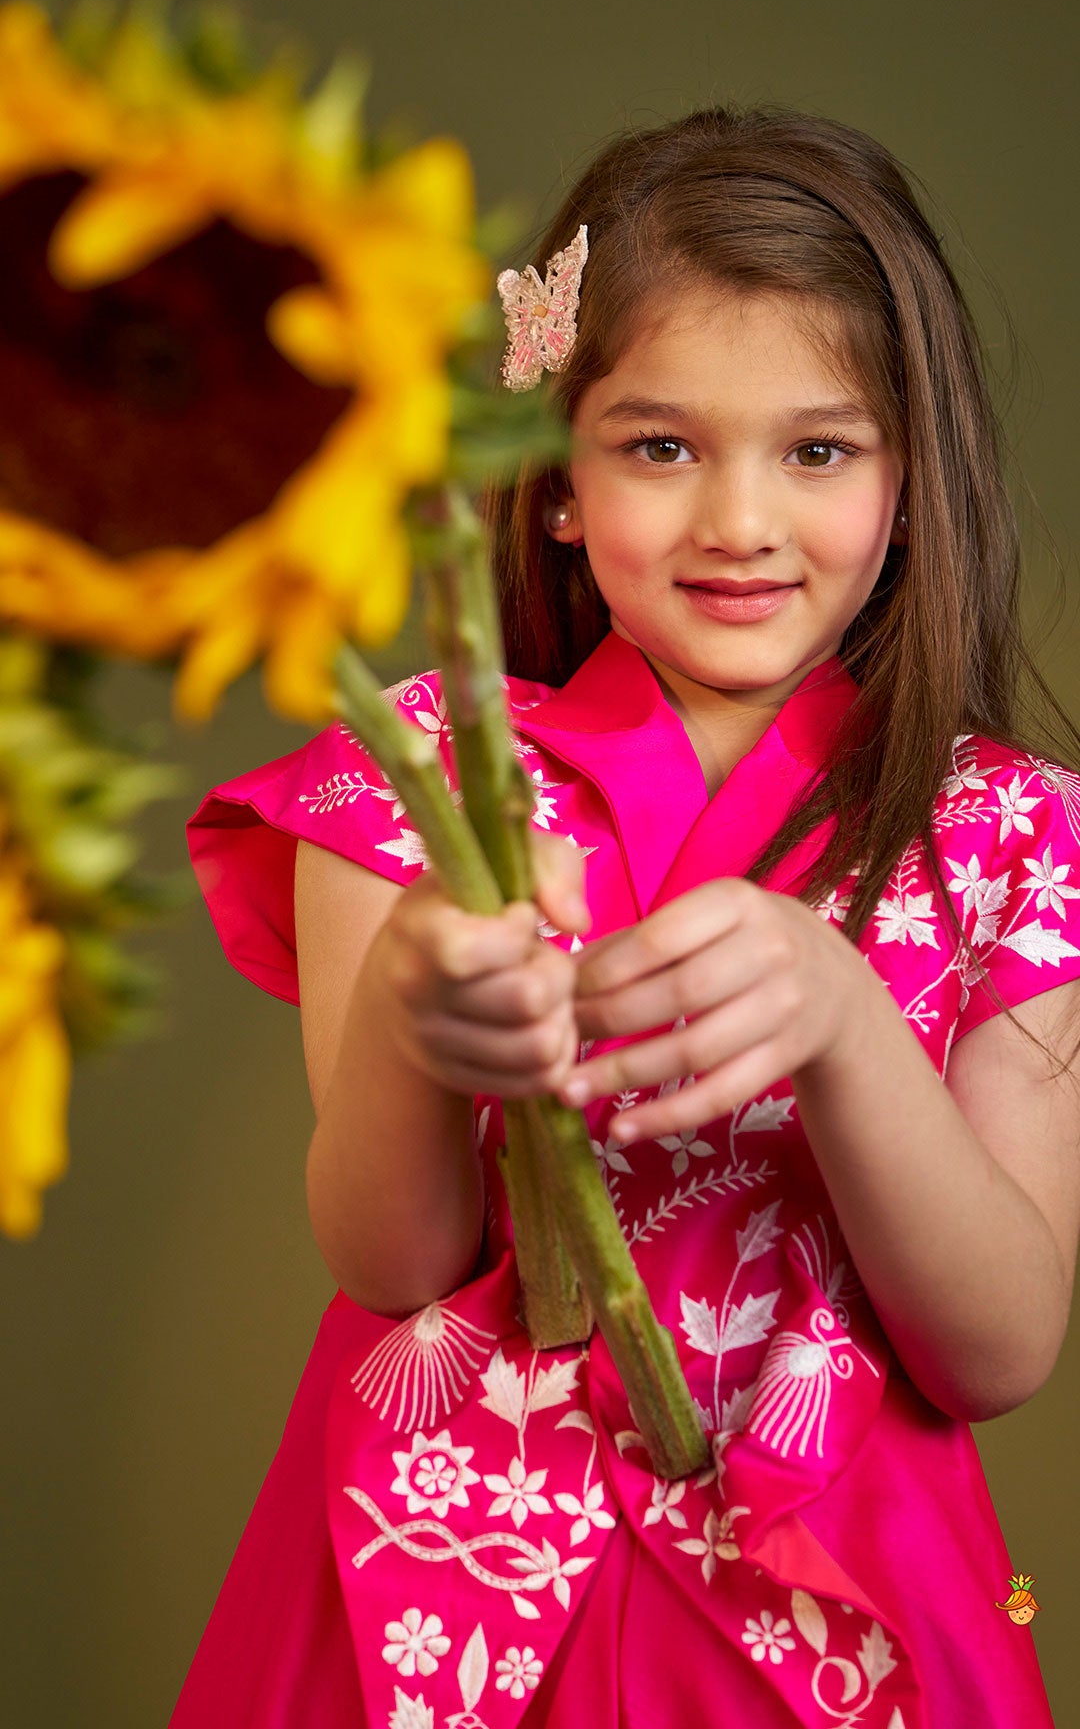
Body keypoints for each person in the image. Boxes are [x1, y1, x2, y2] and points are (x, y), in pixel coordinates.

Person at [172, 106, 1080, 1727]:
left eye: (819, 449)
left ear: (911, 477)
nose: (740, 520)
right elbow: (389, 1262)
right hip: (452, 1593)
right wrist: (413, 1024)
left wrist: (848, 1019)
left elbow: (1000, 1348)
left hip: (834, 1614)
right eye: (661, 445)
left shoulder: (1001, 833)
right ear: (559, 478)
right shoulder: (421, 783)